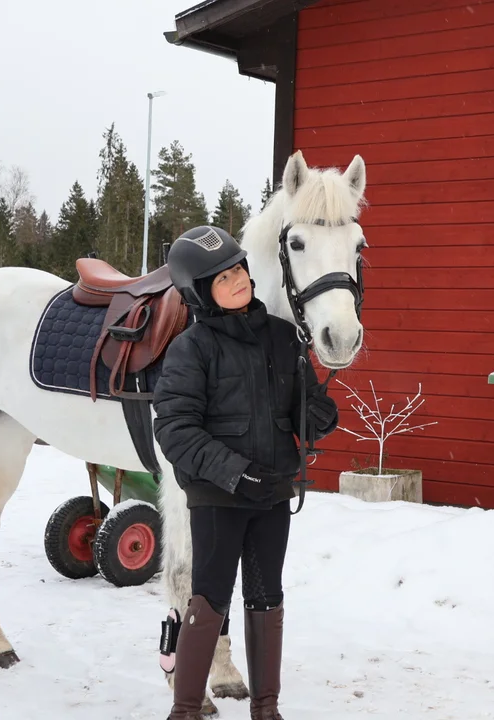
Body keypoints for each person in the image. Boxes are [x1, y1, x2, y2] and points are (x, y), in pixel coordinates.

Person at [153, 225, 339, 720]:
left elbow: (303, 406)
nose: (236, 280)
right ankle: (186, 709)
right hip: (219, 500)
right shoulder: (191, 349)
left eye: (238, 269)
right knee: (210, 599)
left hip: (274, 494)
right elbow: (175, 430)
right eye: (221, 277)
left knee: (267, 598)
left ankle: (267, 708)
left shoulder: (283, 338)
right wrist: (235, 474)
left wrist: (318, 415)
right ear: (201, 293)